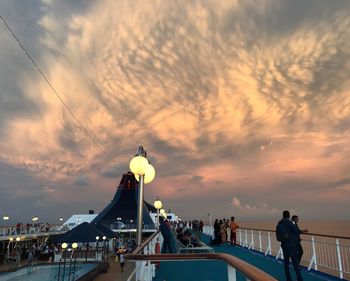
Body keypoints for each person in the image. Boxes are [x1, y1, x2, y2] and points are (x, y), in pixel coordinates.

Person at [277, 210, 304, 281]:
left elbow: (278, 236)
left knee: (286, 263)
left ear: (283, 215)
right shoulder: (289, 223)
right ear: (289, 216)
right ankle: (299, 279)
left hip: (283, 245)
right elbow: (296, 231)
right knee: (295, 263)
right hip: (291, 246)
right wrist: (303, 231)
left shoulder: (280, 223)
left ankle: (288, 279)